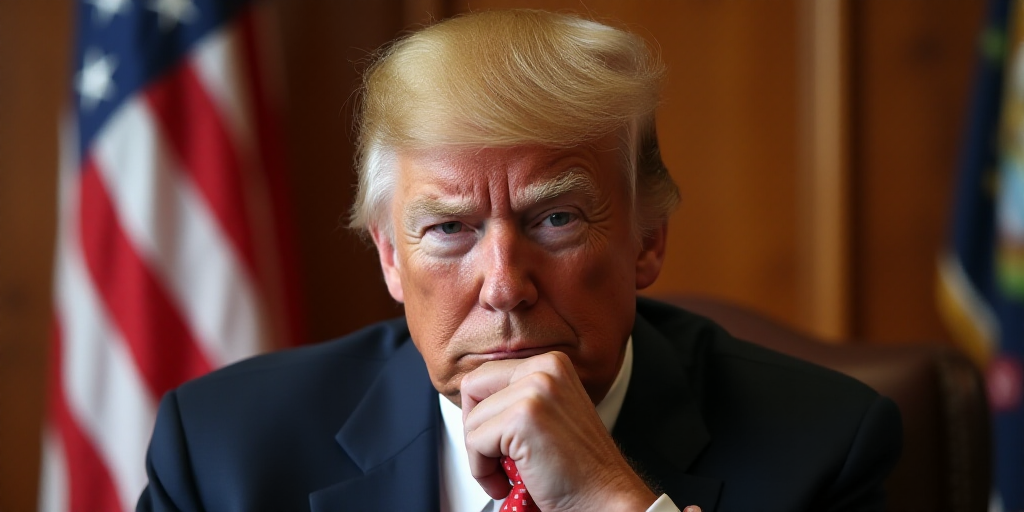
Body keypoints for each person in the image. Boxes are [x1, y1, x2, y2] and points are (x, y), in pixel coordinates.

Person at [137, 9, 901, 512]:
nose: (504, 286)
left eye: (556, 218)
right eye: (448, 229)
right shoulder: (222, 452)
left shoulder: (824, 447)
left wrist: (611, 500)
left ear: (647, 240)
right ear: (389, 258)